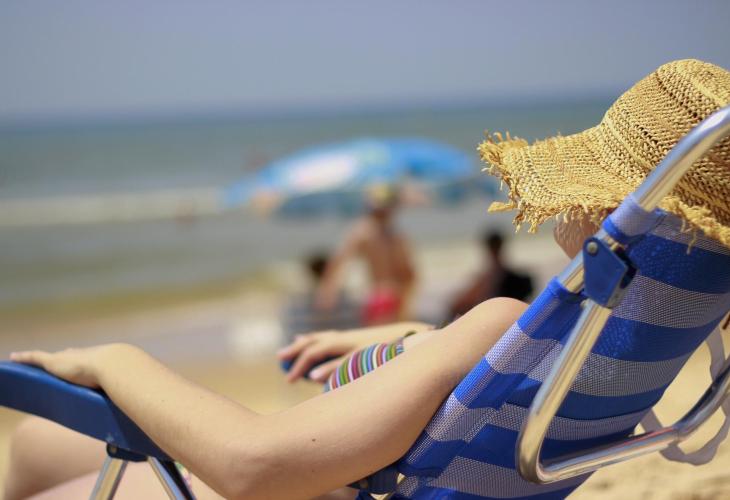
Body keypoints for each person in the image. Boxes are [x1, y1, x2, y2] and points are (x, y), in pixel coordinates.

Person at [4, 59, 730, 500]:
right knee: (37, 445)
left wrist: (112, 359)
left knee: (37, 448)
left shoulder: (502, 320)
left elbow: (255, 467)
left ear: (615, 212)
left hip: (313, 481)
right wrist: (416, 343)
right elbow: (493, 387)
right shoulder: (644, 346)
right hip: (375, 459)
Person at [315, 185, 416, 326]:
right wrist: (328, 289)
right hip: (382, 295)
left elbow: (408, 271)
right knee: (389, 336)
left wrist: (328, 289)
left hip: (393, 295)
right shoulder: (367, 231)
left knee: (394, 335)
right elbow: (340, 260)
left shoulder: (390, 233)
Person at [448, 230, 533, 319]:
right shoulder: (515, 279)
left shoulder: (488, 278)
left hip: (493, 317)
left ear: (488, 248)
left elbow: (457, 306)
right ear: (501, 246)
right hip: (513, 317)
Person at [282, 252, 359, 344]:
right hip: (341, 347)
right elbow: (355, 331)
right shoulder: (348, 301)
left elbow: (290, 337)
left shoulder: (296, 304)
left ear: (308, 273)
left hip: (307, 348)